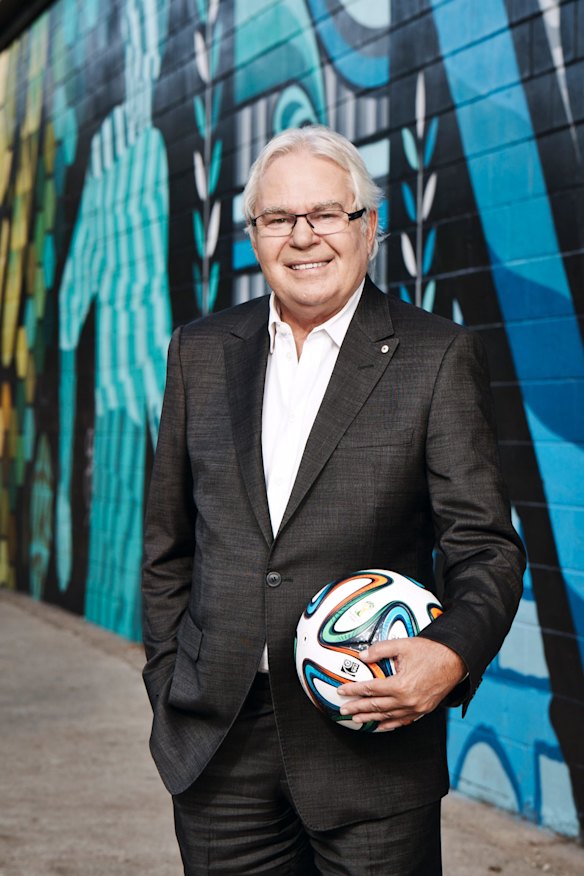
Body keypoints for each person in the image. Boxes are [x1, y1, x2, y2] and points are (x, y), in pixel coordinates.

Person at [142, 125, 525, 875]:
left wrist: (450, 654)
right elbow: (169, 544)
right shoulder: (200, 351)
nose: (303, 236)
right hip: (218, 743)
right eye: (279, 218)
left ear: (369, 227)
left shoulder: (436, 355)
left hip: (372, 736)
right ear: (254, 235)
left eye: (326, 213)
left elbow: (486, 547)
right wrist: (168, 682)